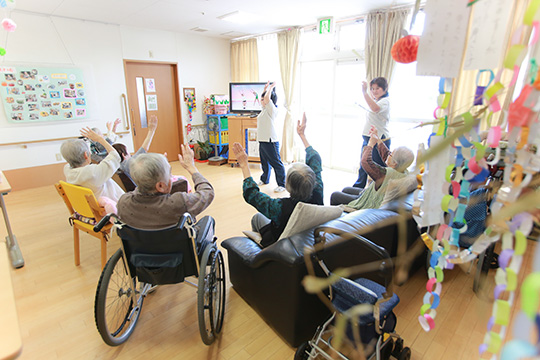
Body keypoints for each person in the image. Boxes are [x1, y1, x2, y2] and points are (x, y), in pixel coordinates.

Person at [233, 113, 323, 247]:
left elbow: (251, 194)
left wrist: (244, 164)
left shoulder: (280, 208)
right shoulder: (317, 191)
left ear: (288, 186)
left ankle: (262, 250)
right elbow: (315, 159)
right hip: (308, 240)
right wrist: (302, 136)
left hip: (282, 245)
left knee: (257, 218)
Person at [116, 145, 214, 230]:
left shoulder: (123, 202)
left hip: (140, 250)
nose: (171, 177)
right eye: (170, 173)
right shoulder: (179, 203)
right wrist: (192, 169)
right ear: (160, 186)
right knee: (209, 221)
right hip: (176, 249)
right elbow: (207, 192)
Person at [333, 126, 414, 210]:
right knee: (346, 189)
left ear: (394, 163)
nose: (388, 154)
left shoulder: (385, 175)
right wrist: (377, 139)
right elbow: (386, 155)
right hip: (369, 194)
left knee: (335, 196)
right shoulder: (402, 171)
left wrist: (370, 144)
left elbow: (365, 162)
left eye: (391, 154)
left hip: (368, 203)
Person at [113, 115, 192, 193]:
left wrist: (113, 128)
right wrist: (151, 131)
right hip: (151, 191)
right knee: (182, 179)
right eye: (128, 153)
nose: (131, 155)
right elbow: (143, 150)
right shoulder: (128, 164)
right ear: (123, 155)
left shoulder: (115, 165)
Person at [61, 127, 124, 203]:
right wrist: (100, 139)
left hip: (88, 207)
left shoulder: (67, 169)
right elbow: (115, 156)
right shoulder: (93, 173)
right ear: (86, 155)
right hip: (109, 207)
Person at [353, 77, 391, 189]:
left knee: (377, 167)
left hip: (379, 139)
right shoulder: (377, 100)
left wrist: (364, 92)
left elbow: (375, 109)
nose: (374, 91)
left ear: (385, 89)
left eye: (377, 88)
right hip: (369, 137)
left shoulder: (385, 101)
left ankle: (379, 189)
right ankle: (358, 187)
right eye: (372, 89)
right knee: (363, 163)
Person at [257, 81, 287, 192]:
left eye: (263, 99)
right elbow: (265, 98)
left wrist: (270, 88)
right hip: (262, 140)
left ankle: (282, 185)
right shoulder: (264, 110)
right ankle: (265, 179)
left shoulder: (272, 109)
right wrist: (265, 89)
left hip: (271, 141)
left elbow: (268, 98)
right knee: (264, 162)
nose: (262, 101)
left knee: (276, 163)